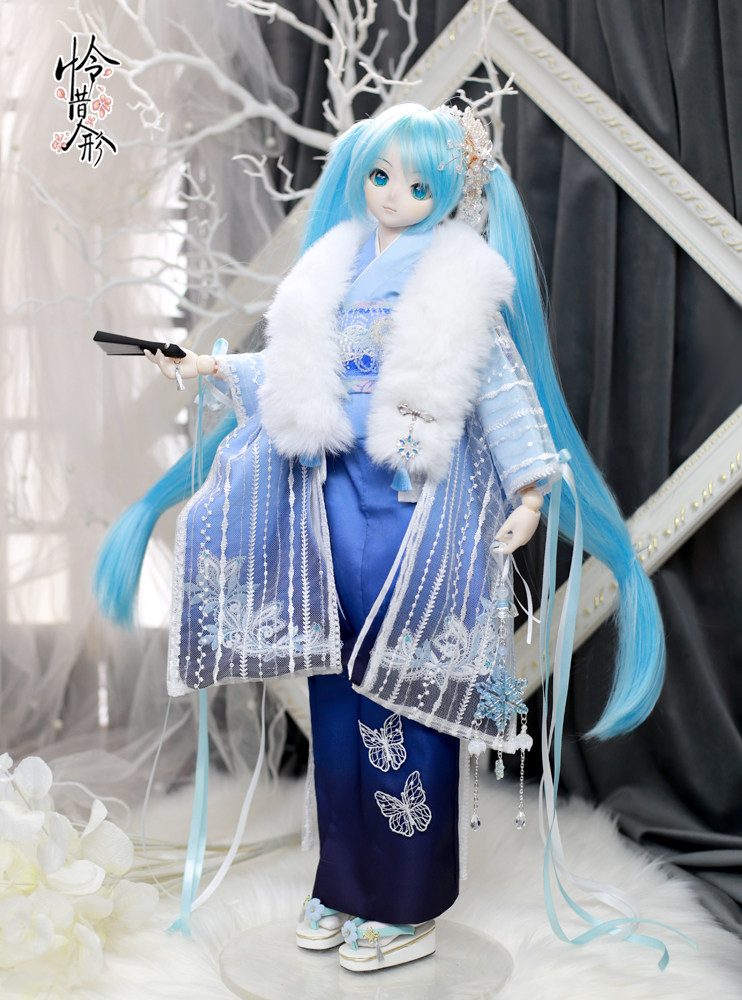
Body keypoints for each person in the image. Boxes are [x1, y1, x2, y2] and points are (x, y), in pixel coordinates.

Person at [95, 103, 665, 973]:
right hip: (330, 496)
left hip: (414, 511)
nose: (394, 195)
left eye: (418, 185)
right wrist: (210, 366)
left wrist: (529, 489)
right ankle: (342, 881)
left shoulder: (458, 285)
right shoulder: (338, 267)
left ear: (451, 195)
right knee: (335, 696)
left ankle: (404, 903)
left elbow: (502, 389)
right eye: (381, 176)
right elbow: (296, 368)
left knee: (406, 699)